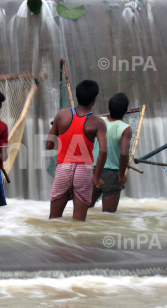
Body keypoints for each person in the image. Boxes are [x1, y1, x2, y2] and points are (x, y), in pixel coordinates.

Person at [46, 80, 108, 221]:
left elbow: (49, 144)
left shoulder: (61, 115)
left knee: (54, 219)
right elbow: (103, 151)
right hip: (84, 171)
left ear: (77, 95)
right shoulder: (98, 122)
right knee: (79, 222)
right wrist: (96, 177)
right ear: (94, 99)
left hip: (63, 168)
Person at [90, 93, 133, 212]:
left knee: (84, 211)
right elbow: (124, 154)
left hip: (92, 171)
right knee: (108, 217)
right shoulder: (125, 128)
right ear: (126, 111)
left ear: (108, 108)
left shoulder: (97, 121)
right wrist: (121, 175)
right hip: (112, 175)